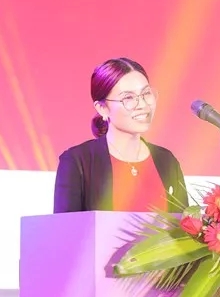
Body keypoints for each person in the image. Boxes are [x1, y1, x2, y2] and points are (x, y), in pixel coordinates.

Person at [53, 57, 189, 213]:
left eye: (146, 93)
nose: (143, 105)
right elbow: (65, 226)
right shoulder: (77, 161)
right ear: (102, 108)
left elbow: (185, 223)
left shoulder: (167, 160)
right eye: (128, 98)